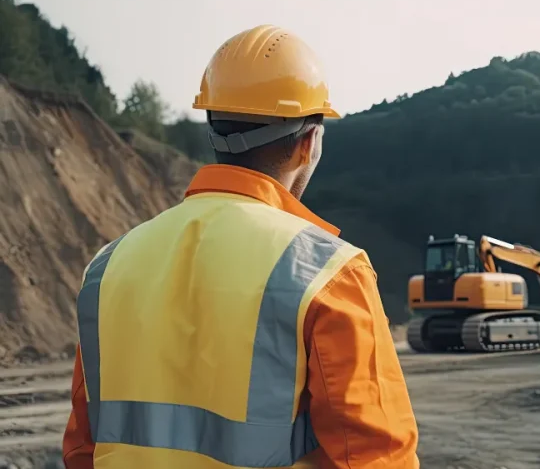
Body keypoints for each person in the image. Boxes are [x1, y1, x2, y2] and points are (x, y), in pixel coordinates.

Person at [62, 24, 420, 469]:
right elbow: (375, 457)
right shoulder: (330, 274)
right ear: (309, 143)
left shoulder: (107, 267)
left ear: (213, 130)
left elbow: (83, 448)